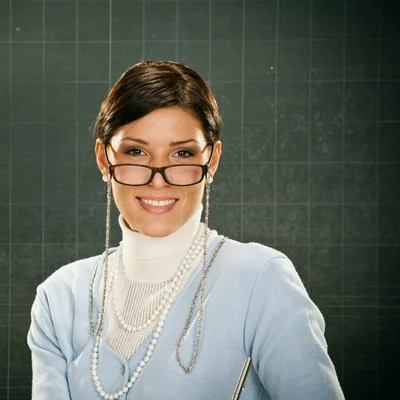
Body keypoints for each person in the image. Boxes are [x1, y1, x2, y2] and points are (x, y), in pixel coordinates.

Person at [27, 60, 344, 399]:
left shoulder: (261, 280)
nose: (158, 177)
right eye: (136, 152)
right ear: (104, 159)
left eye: (182, 153)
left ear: (213, 160)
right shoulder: (59, 298)